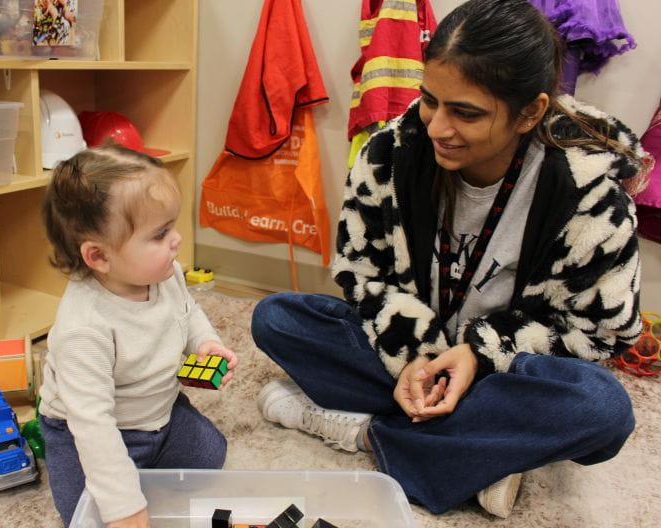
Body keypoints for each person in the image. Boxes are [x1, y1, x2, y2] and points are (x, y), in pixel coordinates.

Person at [251, 0, 650, 519]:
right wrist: (414, 354)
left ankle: (368, 434)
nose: (438, 126)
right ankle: (482, 449)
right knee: (277, 318)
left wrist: (479, 355)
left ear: (529, 112)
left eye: (466, 112)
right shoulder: (389, 154)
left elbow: (599, 332)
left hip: (504, 373)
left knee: (602, 409)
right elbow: (361, 272)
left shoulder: (589, 192)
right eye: (428, 100)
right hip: (413, 356)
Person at [38, 145, 238, 527]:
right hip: (88, 431)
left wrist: (204, 343)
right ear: (98, 257)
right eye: (160, 234)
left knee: (211, 457)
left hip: (159, 411)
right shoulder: (84, 328)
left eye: (172, 227)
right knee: (88, 515)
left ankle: (150, 459)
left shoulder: (165, 274)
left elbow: (188, 313)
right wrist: (126, 510)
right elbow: (93, 425)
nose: (176, 241)